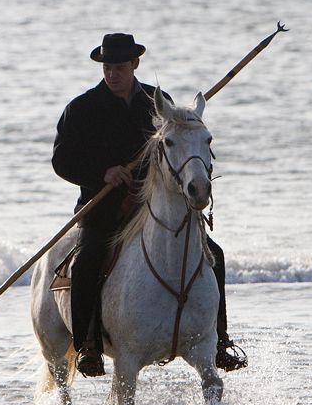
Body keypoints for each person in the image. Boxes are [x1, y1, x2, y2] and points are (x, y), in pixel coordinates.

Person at [52, 32, 247, 377]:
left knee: (214, 255)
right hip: (105, 208)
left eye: (120, 67)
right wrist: (103, 173)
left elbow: (178, 149)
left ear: (135, 64)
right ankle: (88, 347)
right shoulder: (81, 109)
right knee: (87, 260)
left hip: (154, 207)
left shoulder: (159, 104)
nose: (113, 73)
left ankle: (219, 342)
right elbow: (62, 161)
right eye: (107, 67)